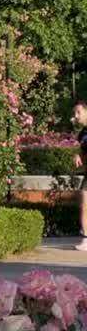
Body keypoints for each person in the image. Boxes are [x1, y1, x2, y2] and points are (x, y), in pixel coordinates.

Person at [74, 103, 87, 251]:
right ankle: (86, 239)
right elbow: (82, 150)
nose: (76, 116)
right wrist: (78, 155)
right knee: (84, 204)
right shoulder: (82, 134)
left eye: (79, 112)